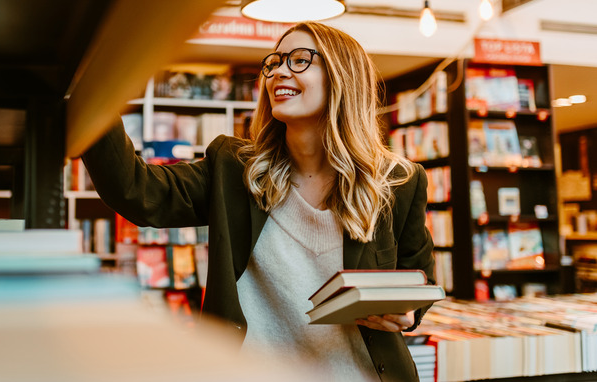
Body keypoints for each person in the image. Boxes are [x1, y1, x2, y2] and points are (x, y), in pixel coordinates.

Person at [82, 21, 435, 381]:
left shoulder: (398, 183)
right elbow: (135, 190)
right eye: (274, 62)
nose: (279, 71)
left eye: (300, 60)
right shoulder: (234, 171)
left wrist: (408, 313)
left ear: (343, 77)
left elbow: (418, 282)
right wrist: (93, 87)